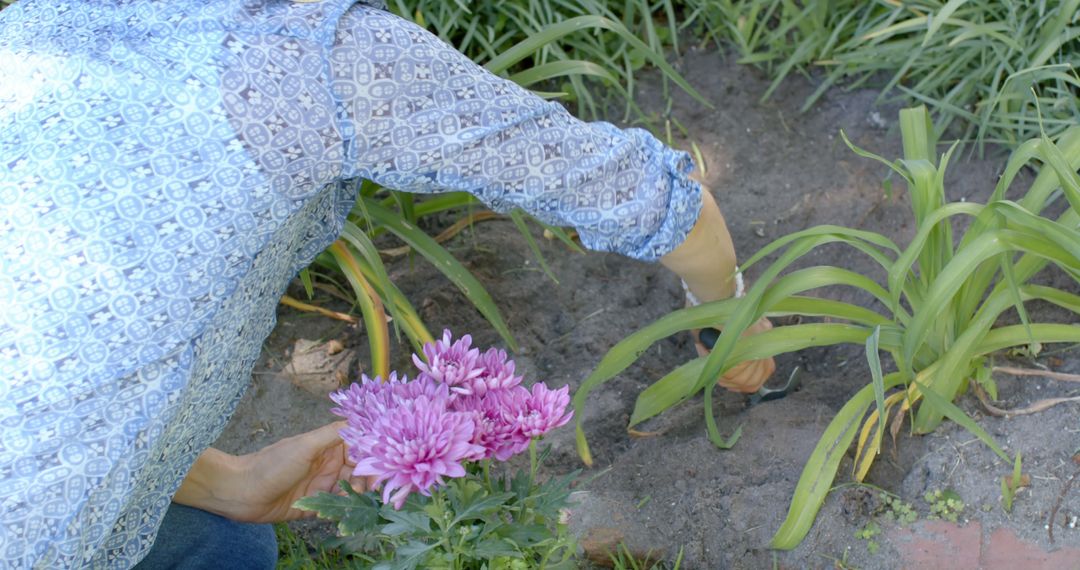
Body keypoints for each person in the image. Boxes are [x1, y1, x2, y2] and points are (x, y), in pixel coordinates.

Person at [0, 0, 774, 567]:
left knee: (226, 542)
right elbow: (650, 198)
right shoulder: (313, 61)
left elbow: (51, 394)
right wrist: (729, 315)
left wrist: (224, 482)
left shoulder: (43, 35)